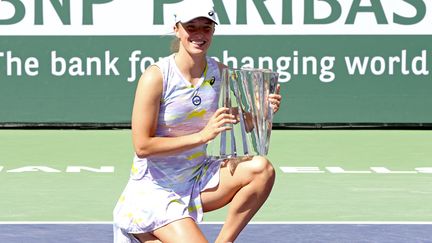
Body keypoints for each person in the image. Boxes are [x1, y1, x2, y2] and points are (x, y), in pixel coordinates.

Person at [113, 1, 282, 242]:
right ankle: (140, 228)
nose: (199, 35)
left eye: (206, 27)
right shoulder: (156, 76)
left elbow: (242, 122)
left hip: (197, 179)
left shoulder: (219, 73)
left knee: (261, 169)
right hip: (155, 189)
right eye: (191, 27)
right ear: (177, 29)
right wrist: (202, 136)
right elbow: (142, 146)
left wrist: (261, 112)